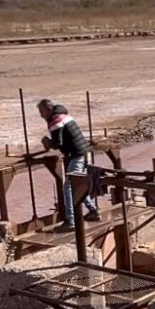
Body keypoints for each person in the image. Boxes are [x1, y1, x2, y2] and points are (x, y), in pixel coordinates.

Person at [37, 98, 100, 229]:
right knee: (78, 185)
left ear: (48, 109)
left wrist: (46, 142)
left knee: (69, 187)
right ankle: (93, 210)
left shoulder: (55, 120)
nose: (41, 115)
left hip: (77, 156)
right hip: (84, 152)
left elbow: (57, 143)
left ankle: (70, 220)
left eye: (41, 111)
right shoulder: (63, 115)